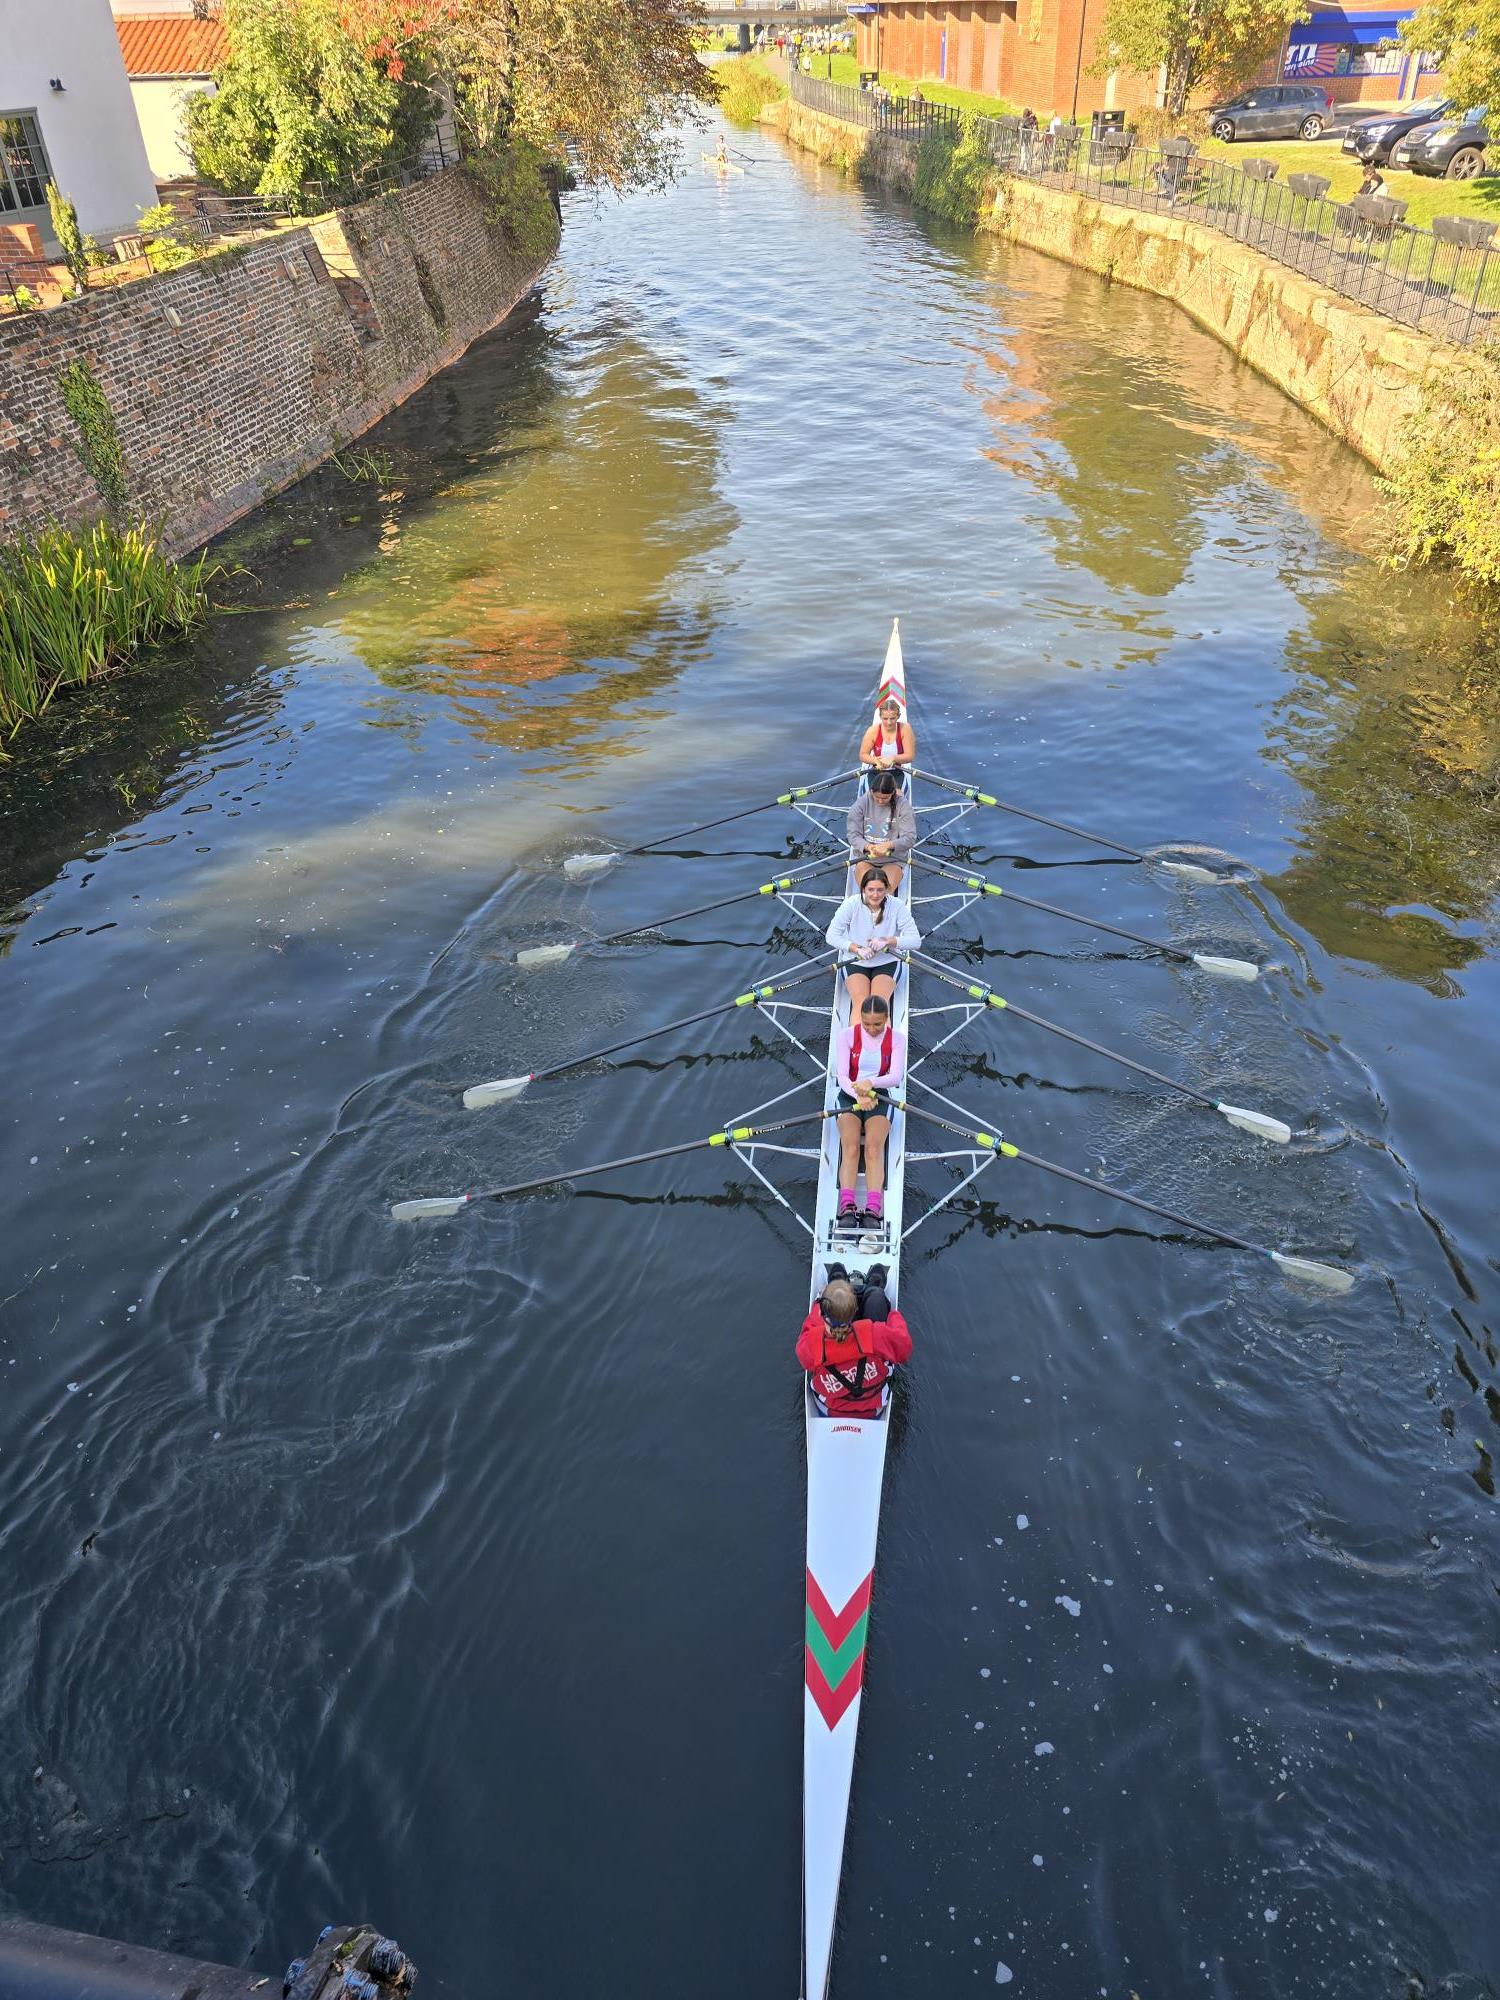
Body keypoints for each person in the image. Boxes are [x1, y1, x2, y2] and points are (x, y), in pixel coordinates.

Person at [832, 991, 906, 1231]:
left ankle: (873, 1209)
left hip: (880, 1097)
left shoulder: (897, 1039)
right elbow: (842, 1076)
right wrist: (858, 1096)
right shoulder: (846, 1036)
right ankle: (846, 1206)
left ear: (887, 1019)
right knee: (851, 1147)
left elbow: (895, 1077)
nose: (872, 1029)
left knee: (874, 1149)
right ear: (860, 1019)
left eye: (878, 1024)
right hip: (849, 1096)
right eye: (866, 1024)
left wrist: (871, 1084)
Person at [797, 1264, 911, 1416]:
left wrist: (820, 1303)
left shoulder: (812, 1342)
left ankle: (836, 1284)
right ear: (855, 1311)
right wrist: (893, 1315)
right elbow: (904, 1349)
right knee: (876, 1297)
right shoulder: (875, 1334)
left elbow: (808, 1331)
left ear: (823, 1315)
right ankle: (872, 1289)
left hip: (829, 1405)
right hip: (874, 1403)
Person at [826, 866, 921, 1011]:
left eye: (880, 890)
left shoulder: (897, 906)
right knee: (861, 1006)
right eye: (871, 890)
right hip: (855, 961)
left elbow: (915, 941)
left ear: (887, 889)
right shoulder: (851, 904)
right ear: (863, 889)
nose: (875, 895)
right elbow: (831, 936)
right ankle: (857, 1033)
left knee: (877, 1008)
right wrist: (856, 948)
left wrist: (888, 941)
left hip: (887, 961)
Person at [847, 767, 917, 891]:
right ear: (871, 791)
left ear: (893, 793)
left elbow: (910, 838)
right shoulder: (860, 805)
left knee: (883, 893)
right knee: (869, 893)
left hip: (894, 859)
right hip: (866, 858)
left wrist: (888, 845)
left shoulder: (903, 806)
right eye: (876, 797)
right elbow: (853, 835)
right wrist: (868, 847)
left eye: (885, 798)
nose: (880, 801)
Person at [859, 695, 915, 771]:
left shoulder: (905, 729)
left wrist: (893, 758)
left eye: (892, 718)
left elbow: (910, 756)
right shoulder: (872, 731)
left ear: (898, 716)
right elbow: (863, 755)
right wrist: (875, 761)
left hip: (897, 770)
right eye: (885, 718)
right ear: (880, 716)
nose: (889, 723)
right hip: (876, 770)